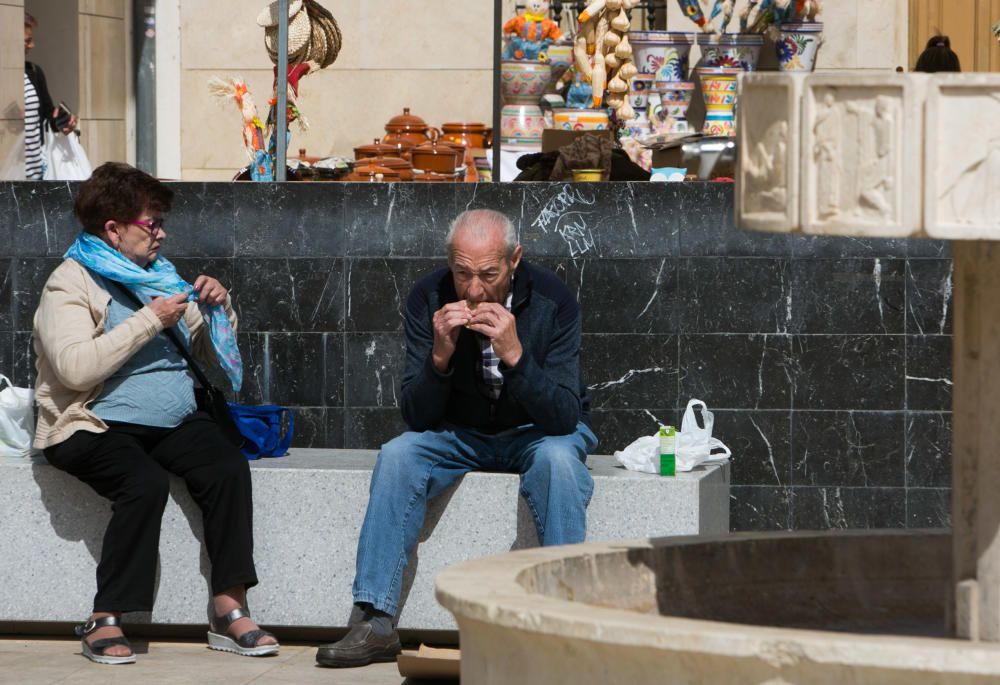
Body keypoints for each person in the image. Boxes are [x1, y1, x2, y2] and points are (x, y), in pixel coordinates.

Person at [315, 208, 598, 668]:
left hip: (538, 431)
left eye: (488, 274)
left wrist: (516, 357)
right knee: (398, 456)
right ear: (450, 261)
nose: (473, 289)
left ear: (514, 260)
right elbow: (416, 414)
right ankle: (375, 619)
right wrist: (440, 357)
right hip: (461, 433)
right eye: (462, 272)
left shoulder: (553, 299)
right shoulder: (428, 296)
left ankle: (565, 621)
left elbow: (565, 416)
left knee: (560, 464)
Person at [33, 162, 278, 665]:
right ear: (113, 229)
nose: (161, 233)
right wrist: (149, 319)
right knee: (142, 483)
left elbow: (206, 351)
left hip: (172, 420)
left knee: (226, 467)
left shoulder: (158, 275)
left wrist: (218, 308)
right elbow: (76, 369)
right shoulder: (69, 281)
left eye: (161, 222)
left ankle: (229, 608)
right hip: (92, 421)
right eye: (152, 224)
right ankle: (106, 617)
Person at [24, 11, 78, 179]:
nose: (32, 45)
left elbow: (47, 115)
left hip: (35, 173)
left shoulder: (33, 72)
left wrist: (61, 122)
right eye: (27, 40)